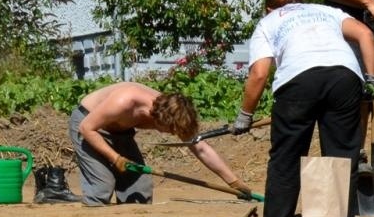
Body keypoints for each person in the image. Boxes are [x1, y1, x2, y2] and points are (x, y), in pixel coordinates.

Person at [233, 0, 374, 217]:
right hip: (344, 77)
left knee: (287, 155)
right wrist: (372, 78)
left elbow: (259, 74)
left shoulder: (268, 22)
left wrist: (245, 115)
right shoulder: (326, 11)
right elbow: (365, 33)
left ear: (269, 9)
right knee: (342, 153)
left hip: (298, 80)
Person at [70, 83, 251, 206]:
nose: (172, 134)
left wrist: (234, 182)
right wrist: (116, 158)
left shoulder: (175, 113)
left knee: (140, 189)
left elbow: (201, 148)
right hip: (88, 125)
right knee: (101, 187)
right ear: (156, 118)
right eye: (170, 130)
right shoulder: (125, 102)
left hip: (120, 132)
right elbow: (87, 128)